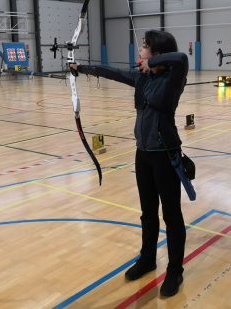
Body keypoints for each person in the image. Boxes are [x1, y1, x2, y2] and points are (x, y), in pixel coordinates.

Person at [69, 30, 188, 297]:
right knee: (147, 212)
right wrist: (81, 67)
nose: (139, 51)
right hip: (143, 153)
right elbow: (112, 72)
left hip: (165, 154)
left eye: (144, 48)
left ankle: (175, 270)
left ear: (156, 53)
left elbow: (180, 57)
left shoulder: (173, 78)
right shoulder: (142, 78)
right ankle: (147, 259)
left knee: (171, 215)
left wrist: (155, 63)